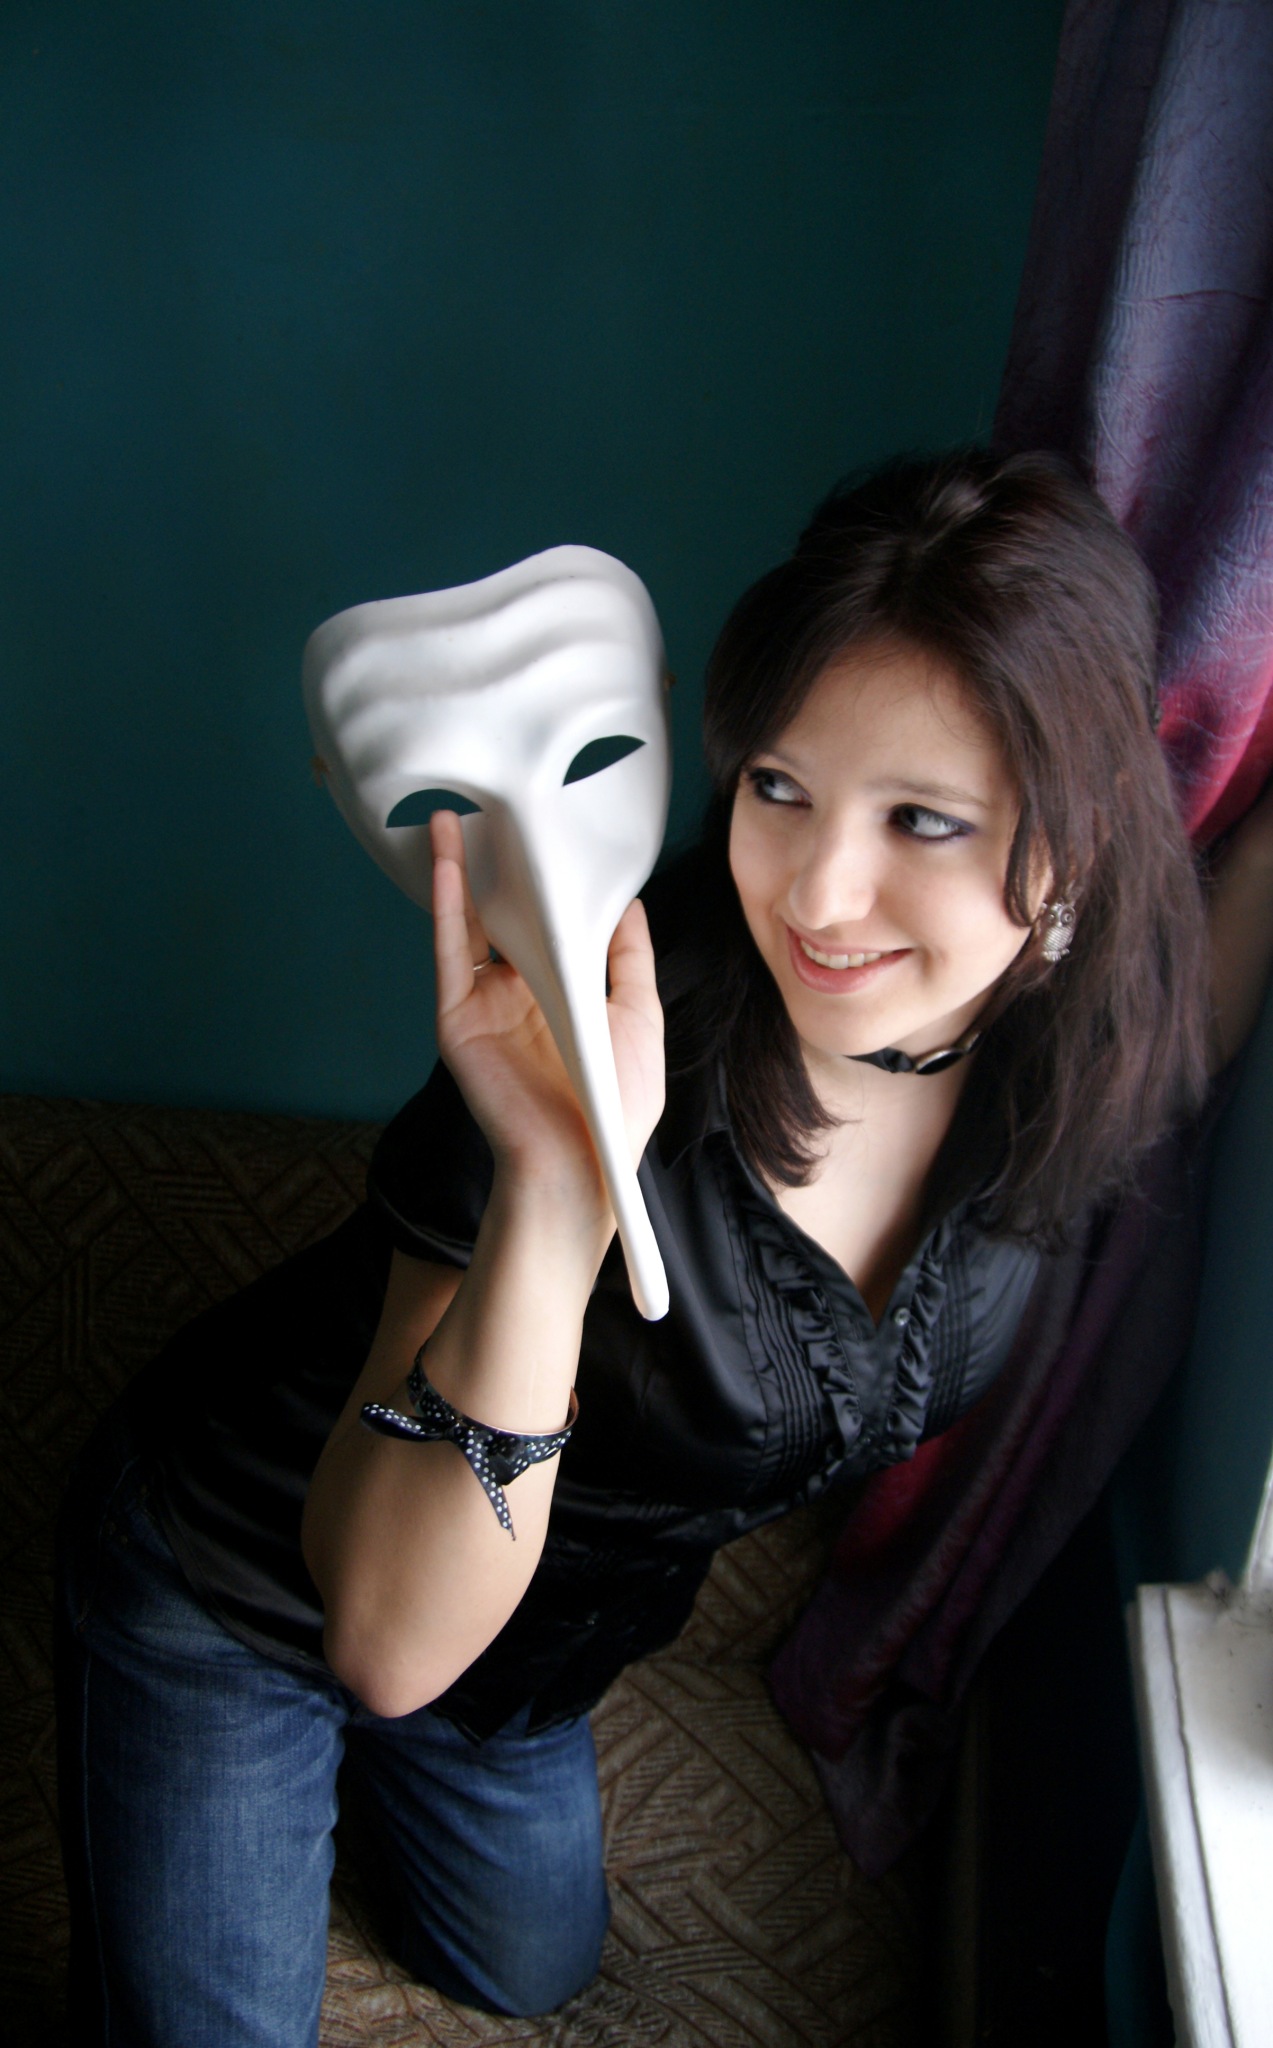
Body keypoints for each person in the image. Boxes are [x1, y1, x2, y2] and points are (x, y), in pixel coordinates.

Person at [56, 449, 1268, 2048]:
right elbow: (389, 1642)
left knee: (528, 1968)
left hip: (532, 1659)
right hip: (265, 1573)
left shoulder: (1067, 1040)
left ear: (1083, 840)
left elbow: (1183, 1005)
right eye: (777, 787)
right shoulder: (595, 1041)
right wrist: (559, 1188)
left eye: (920, 818)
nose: (818, 896)